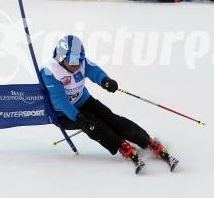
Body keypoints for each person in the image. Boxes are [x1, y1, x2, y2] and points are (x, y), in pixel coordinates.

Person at [40, 35, 178, 173]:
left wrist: (105, 81)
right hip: (63, 114)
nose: (76, 64)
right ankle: (121, 145)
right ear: (61, 56)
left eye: (79, 59)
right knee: (93, 124)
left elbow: (94, 71)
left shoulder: (81, 64)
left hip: (83, 101)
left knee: (111, 118)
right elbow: (60, 101)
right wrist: (78, 118)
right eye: (72, 59)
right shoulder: (50, 71)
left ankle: (146, 140)